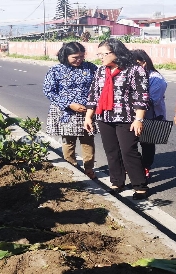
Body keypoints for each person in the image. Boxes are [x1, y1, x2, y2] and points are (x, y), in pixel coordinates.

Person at [84, 38, 149, 200]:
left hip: (127, 118)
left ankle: (140, 186)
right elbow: (93, 95)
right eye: (98, 54)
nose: (100, 57)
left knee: (128, 151)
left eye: (103, 54)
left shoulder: (134, 70)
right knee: (112, 151)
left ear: (115, 52)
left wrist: (139, 119)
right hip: (105, 116)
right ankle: (117, 182)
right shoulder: (100, 71)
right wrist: (88, 117)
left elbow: (141, 96)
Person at [43, 42, 98, 179]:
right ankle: (72, 167)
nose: (79, 60)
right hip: (66, 113)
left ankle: (89, 168)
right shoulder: (56, 70)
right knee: (68, 141)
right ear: (65, 55)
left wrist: (91, 106)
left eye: (81, 56)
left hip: (87, 112)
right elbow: (49, 91)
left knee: (87, 140)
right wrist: (69, 104)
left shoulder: (91, 68)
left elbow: (98, 87)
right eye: (75, 57)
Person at [131, 49, 168, 178]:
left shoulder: (156, 79)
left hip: (151, 117)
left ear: (144, 63)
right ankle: (134, 167)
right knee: (130, 144)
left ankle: (146, 167)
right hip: (133, 116)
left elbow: (152, 100)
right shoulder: (132, 75)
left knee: (147, 144)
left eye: (136, 64)